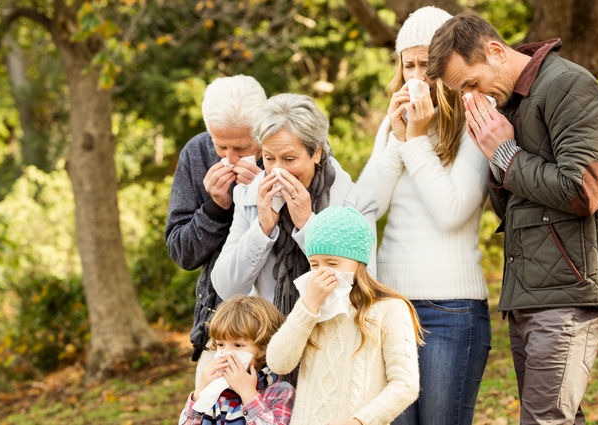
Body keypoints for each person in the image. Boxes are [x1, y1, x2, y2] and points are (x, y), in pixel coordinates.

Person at [427, 13, 598, 424]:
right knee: (554, 417)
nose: (471, 96)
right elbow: (515, 209)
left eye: (471, 83)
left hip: (570, 290)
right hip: (529, 289)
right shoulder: (510, 105)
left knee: (544, 419)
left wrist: (504, 154)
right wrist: (494, 155)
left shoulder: (568, 85)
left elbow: (583, 190)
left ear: (493, 50)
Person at [356, 7, 491, 425]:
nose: (417, 76)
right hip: (391, 305)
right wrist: (398, 140)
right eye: (408, 64)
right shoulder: (394, 126)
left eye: (427, 65)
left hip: (451, 308)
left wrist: (414, 142)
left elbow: (452, 211)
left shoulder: (477, 120)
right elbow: (364, 208)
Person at [210, 93, 377, 317]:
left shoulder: (355, 201)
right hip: (269, 340)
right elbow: (226, 288)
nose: (278, 171)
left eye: (289, 159)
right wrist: (262, 228)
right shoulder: (249, 197)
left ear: (316, 152)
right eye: (269, 159)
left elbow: (365, 290)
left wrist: (308, 224)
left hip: (330, 339)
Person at [265, 206, 422, 425]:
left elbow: (405, 384)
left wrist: (360, 421)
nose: (323, 272)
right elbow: (279, 363)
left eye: (332, 263)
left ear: (358, 261)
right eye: (314, 264)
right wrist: (308, 308)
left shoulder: (390, 308)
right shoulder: (311, 307)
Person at [165, 75, 267, 383]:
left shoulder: (293, 147)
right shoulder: (197, 154)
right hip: (222, 330)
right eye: (221, 146)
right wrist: (215, 209)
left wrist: (263, 191)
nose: (231, 158)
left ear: (263, 132)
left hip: (285, 324)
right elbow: (181, 253)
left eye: (242, 147)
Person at [179, 295, 295, 425]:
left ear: (264, 346)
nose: (227, 354)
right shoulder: (215, 392)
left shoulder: (279, 393)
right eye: (221, 345)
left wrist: (248, 393)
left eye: (238, 345)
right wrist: (200, 393)